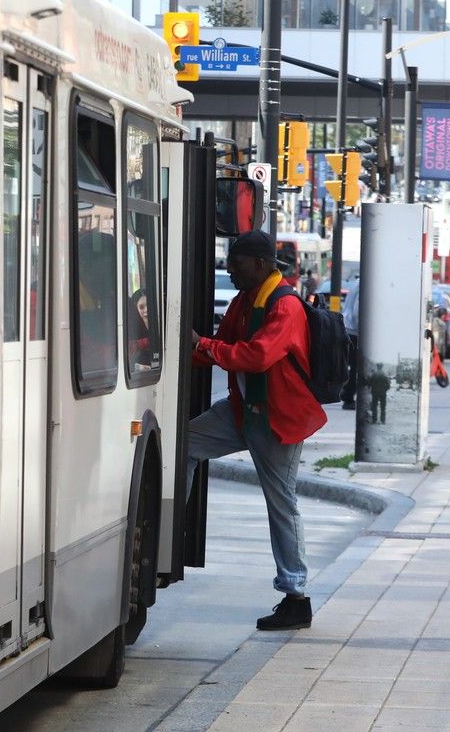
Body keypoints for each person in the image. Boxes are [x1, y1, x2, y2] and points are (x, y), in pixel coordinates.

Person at [188, 231, 326, 631]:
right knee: (185, 444)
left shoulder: (285, 306)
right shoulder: (245, 300)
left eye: (237, 262)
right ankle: (169, 532)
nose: (229, 269)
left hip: (277, 418)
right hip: (243, 411)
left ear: (262, 265)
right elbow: (222, 344)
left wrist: (205, 348)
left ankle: (296, 596)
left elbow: (257, 356)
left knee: (281, 502)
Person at [339, 278, 359, 410]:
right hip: (356, 330)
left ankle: (348, 395)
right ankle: (348, 395)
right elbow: (358, 311)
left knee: (353, 366)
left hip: (350, 328)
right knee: (356, 367)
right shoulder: (368, 282)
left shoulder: (357, 282)